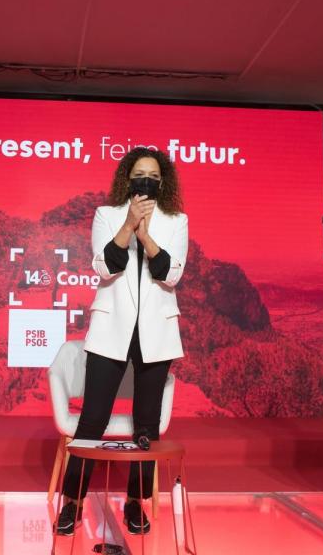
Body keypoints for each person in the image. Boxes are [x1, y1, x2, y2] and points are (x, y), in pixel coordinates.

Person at [54, 147, 188, 536]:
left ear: (162, 182)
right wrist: (128, 225)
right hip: (111, 330)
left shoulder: (177, 219)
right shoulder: (106, 215)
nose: (146, 181)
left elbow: (170, 275)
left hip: (157, 332)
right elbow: (105, 267)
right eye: (138, 174)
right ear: (127, 179)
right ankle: (73, 502)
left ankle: (135, 501)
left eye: (153, 175)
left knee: (146, 426)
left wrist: (147, 236)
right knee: (92, 419)